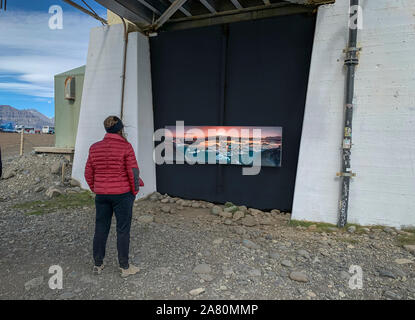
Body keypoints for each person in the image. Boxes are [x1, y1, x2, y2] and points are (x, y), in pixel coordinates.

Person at [84, 116, 143, 278]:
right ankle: (124, 267)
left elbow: (88, 173)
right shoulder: (126, 146)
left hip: (102, 195)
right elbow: (134, 172)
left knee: (101, 229)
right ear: (120, 129)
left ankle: (98, 264)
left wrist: (96, 188)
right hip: (123, 195)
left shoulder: (94, 147)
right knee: (122, 230)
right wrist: (134, 191)